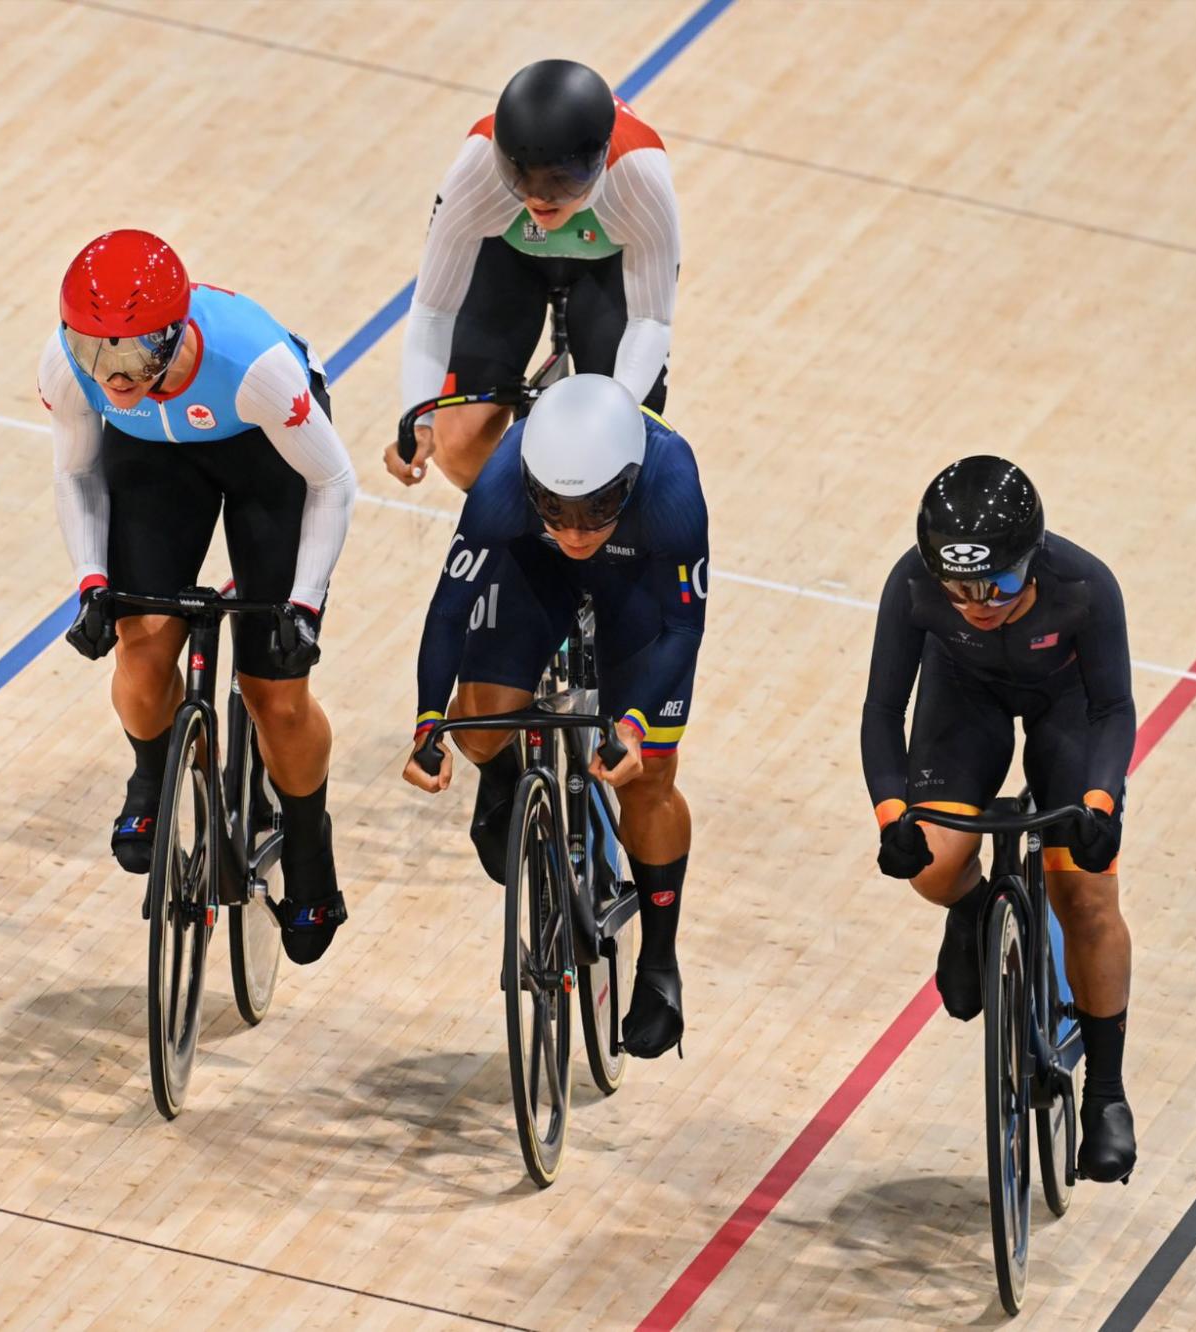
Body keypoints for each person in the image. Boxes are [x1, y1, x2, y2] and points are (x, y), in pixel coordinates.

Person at [39, 230, 357, 965]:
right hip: (154, 461)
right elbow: (77, 473)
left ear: (176, 334)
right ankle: (151, 777)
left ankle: (309, 842)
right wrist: (91, 581)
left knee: (273, 693)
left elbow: (332, 483)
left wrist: (303, 608)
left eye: (132, 357)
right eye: (95, 355)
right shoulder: (68, 365)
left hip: (265, 462)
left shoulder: (256, 368)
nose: (113, 378)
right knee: (143, 645)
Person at [402, 375, 706, 1056]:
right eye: (557, 510)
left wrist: (629, 725)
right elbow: (448, 609)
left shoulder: (672, 484)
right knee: (479, 729)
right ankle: (507, 772)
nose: (573, 531)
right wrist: (428, 723)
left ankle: (659, 963)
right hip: (529, 570)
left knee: (647, 774)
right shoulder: (504, 482)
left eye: (594, 511)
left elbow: (683, 631)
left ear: (627, 484)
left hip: (637, 580)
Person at [861, 456, 1138, 1182]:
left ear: (1033, 558)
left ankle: (1106, 1096)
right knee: (931, 866)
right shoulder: (911, 585)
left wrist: (1101, 805)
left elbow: (1113, 709)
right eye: (960, 589)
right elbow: (883, 712)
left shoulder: (1086, 585)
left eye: (1000, 585)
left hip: (1068, 710)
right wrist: (893, 817)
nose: (979, 604)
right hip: (965, 699)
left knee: (1084, 891)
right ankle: (975, 911)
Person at [387, 58, 681, 491]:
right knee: (459, 445)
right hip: (510, 259)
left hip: (607, 267)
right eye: (520, 178)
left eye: (561, 182)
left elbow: (651, 321)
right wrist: (420, 418)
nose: (540, 199)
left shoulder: (641, 174)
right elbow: (433, 310)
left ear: (599, 161)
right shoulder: (476, 168)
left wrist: (610, 418)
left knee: (626, 448)